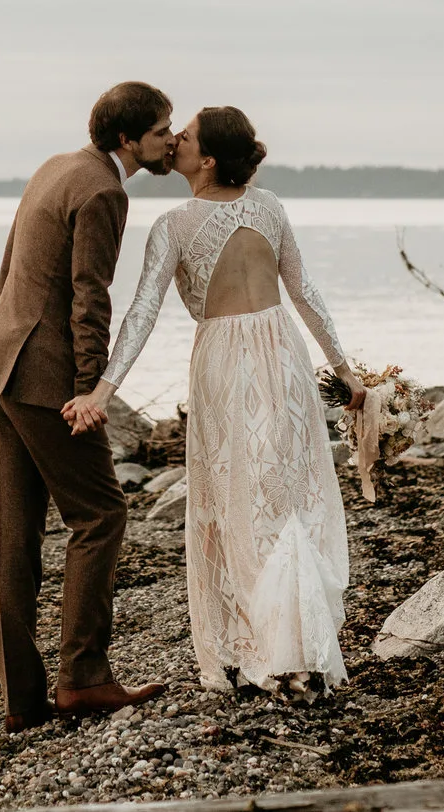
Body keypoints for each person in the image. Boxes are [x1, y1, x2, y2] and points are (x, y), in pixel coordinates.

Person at [66, 106, 360, 697]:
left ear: (206, 160)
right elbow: (303, 292)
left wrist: (102, 389)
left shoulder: (174, 225)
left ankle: (276, 649)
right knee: (285, 495)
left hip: (225, 363)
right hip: (283, 350)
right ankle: (296, 647)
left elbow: (143, 311)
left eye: (187, 134)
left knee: (239, 498)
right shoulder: (269, 205)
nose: (174, 138)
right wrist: (343, 369)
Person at [0, 81, 176, 731]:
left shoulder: (55, 167)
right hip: (45, 382)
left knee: (16, 534)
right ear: (127, 139)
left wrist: (11, 343)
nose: (171, 139)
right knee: (101, 514)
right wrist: (89, 388)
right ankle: (83, 678)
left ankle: (22, 701)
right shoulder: (104, 190)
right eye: (162, 130)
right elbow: (91, 297)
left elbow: (9, 271)